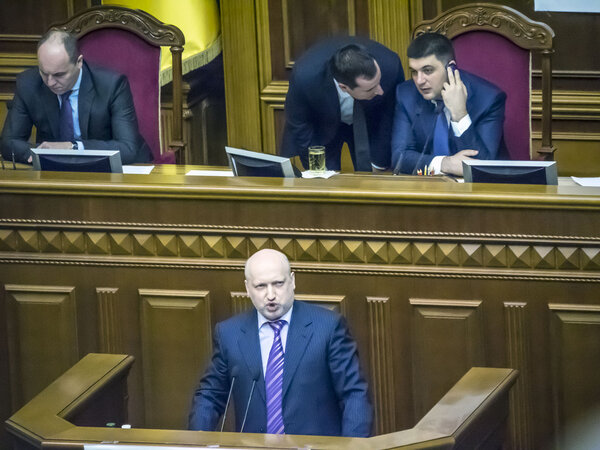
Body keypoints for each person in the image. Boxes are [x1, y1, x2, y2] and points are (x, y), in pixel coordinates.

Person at [188, 249, 373, 437]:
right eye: (260, 286)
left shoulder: (327, 327)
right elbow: (210, 396)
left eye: (278, 283)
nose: (270, 295)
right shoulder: (230, 334)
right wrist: (198, 443)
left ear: (292, 281)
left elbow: (354, 395)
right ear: (247, 288)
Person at [1, 30, 151, 165]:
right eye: (44, 73)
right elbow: (8, 143)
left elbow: (128, 148)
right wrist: (40, 153)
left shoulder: (111, 85)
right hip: (55, 172)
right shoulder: (29, 84)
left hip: (114, 169)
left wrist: (73, 147)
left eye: (59, 75)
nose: (50, 82)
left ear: (79, 62)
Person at [281, 36, 404, 172]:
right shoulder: (305, 77)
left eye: (379, 82)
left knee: (373, 178)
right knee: (325, 180)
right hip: (323, 124)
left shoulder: (390, 64)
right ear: (344, 87)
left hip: (371, 121)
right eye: (370, 89)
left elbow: (391, 115)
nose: (380, 91)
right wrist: (318, 169)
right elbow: (299, 124)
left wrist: (379, 163)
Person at [391, 32, 507, 176]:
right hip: (426, 190)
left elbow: (481, 167)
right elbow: (399, 158)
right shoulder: (406, 94)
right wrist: (445, 163)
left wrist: (460, 114)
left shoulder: (489, 99)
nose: (419, 81)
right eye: (414, 72)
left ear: (450, 68)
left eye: (428, 70)